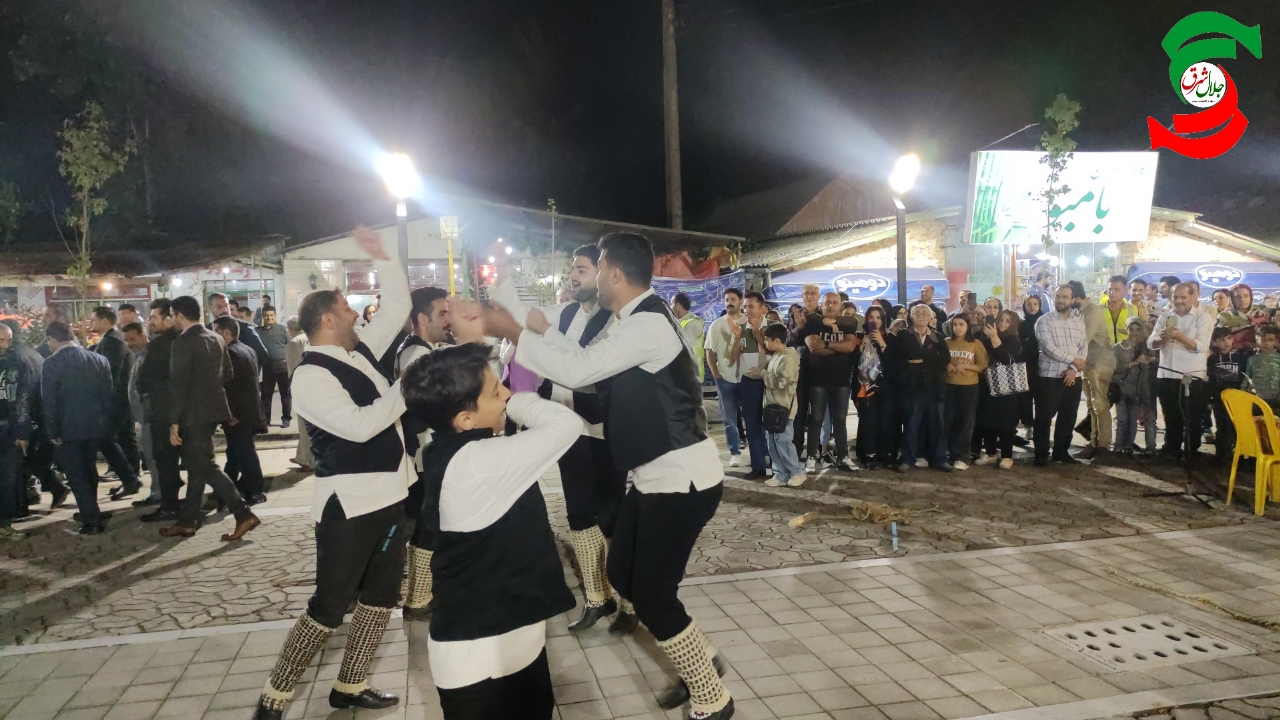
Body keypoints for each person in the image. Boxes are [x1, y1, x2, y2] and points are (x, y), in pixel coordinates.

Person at [486, 232, 733, 719]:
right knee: (621, 573)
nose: (594, 276)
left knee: (654, 597)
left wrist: (516, 331)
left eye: (597, 267)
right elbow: (581, 356)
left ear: (614, 273)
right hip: (654, 477)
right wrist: (530, 321)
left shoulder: (647, 325)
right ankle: (703, 657)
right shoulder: (632, 320)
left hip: (682, 479)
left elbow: (579, 370)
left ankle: (712, 697)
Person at [253, 229, 412, 720]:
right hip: (350, 505)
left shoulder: (357, 352)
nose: (356, 313)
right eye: (347, 307)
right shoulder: (310, 374)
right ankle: (273, 699)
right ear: (327, 319)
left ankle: (350, 685)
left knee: (381, 598)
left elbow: (398, 306)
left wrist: (383, 255)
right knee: (329, 605)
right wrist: (407, 387)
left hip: (390, 493)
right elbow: (359, 428)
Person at [401, 332, 578, 720]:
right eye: (497, 391)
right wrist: (521, 400)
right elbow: (566, 425)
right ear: (465, 419)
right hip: (478, 661)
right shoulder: (478, 463)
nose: (507, 395)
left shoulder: (449, 449)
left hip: (515, 637)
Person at [499, 245, 631, 631]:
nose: (573, 275)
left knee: (612, 515)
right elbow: (523, 318)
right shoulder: (565, 313)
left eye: (583, 269)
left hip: (605, 429)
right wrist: (503, 274)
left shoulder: (618, 320)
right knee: (579, 514)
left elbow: (583, 365)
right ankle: (597, 598)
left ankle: (629, 599)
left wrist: (545, 333)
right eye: (572, 269)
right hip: (568, 428)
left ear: (605, 274)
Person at [160, 296, 261, 541]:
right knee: (197, 466)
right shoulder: (216, 338)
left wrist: (174, 421)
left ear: (180, 316)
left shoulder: (183, 342)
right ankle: (187, 521)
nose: (171, 320)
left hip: (192, 413)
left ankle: (243, 513)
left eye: (172, 316)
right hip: (213, 410)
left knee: (205, 466)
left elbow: (179, 384)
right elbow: (227, 373)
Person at [40, 321, 115, 535]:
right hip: (95, 425)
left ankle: (91, 521)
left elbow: (50, 401)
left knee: (77, 475)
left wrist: (52, 430)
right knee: (90, 470)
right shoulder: (99, 360)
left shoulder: (51, 364)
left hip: (67, 428)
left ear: (52, 339)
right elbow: (108, 395)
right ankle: (91, 510)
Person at [0, 319, 70, 512]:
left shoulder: (15, 359)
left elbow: (21, 396)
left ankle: (18, 506)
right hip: (38, 418)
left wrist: (21, 429)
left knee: (17, 465)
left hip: (25, 420)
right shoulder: (32, 354)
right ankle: (45, 492)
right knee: (29, 462)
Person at [1150, 282, 1214, 462]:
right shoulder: (1165, 316)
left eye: (1183, 297)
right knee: (1171, 416)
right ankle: (1171, 449)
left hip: (1190, 376)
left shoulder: (1202, 317)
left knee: (1191, 417)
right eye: (1175, 297)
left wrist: (1180, 337)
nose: (1178, 301)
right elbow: (1151, 342)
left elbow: (1201, 346)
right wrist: (1161, 339)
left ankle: (1191, 452)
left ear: (1192, 297)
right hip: (1167, 374)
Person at [797, 292, 859, 472]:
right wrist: (839, 348)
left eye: (834, 302)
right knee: (815, 419)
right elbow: (813, 347)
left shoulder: (848, 323)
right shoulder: (813, 322)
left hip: (841, 380)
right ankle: (811, 457)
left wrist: (825, 344)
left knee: (840, 420)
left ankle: (843, 457)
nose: (831, 305)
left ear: (840, 305)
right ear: (822, 305)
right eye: (827, 303)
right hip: (818, 379)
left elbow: (850, 346)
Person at [135, 299, 184, 524]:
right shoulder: (186, 340)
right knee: (194, 461)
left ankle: (170, 505)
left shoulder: (160, 345)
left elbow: (145, 379)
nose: (150, 321)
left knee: (165, 461)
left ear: (169, 318)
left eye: (154, 317)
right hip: (184, 411)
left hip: (163, 412)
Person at [707, 288, 766, 474]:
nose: (729, 302)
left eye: (733, 299)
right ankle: (740, 455)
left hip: (756, 380)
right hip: (730, 378)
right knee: (732, 418)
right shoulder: (719, 325)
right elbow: (712, 352)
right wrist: (716, 374)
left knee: (758, 420)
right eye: (726, 299)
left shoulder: (761, 324)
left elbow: (771, 348)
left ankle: (766, 459)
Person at [89, 306, 143, 497]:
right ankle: (131, 479)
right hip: (120, 400)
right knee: (125, 440)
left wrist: (102, 400)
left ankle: (130, 478)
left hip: (116, 401)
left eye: (94, 319)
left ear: (104, 321)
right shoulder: (112, 339)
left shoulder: (112, 341)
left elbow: (110, 373)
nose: (91, 323)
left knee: (108, 440)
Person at [212, 316, 267, 505]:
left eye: (217, 331)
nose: (215, 335)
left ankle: (256, 490)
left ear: (226, 332)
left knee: (244, 453)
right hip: (249, 411)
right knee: (236, 453)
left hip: (239, 415)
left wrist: (231, 413)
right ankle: (228, 490)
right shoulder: (247, 349)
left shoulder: (230, 353)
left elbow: (232, 387)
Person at [893, 304, 952, 472]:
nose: (921, 315)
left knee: (937, 424)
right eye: (917, 313)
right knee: (911, 424)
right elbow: (898, 358)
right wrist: (927, 359)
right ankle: (907, 458)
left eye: (924, 313)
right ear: (910, 317)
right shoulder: (903, 335)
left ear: (931, 317)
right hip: (912, 387)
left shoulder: (938, 337)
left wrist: (920, 361)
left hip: (934, 387)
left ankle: (939, 459)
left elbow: (945, 359)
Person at [1034, 285, 1088, 466]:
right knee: (1044, 418)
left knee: (1068, 417)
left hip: (1073, 377)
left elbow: (1084, 347)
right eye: (1058, 296)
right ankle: (1041, 454)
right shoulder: (1044, 321)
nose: (1061, 300)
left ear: (1072, 299)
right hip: (1049, 377)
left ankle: (1061, 452)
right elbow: (1048, 348)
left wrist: (1073, 368)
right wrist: (1073, 360)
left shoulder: (1078, 322)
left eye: (1065, 297)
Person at [1069, 281, 1118, 461]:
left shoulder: (1092, 312)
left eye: (1068, 297)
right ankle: (1093, 443)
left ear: (1076, 296)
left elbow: (1082, 340)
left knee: (1100, 405)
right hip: (1087, 363)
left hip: (1099, 362)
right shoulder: (1079, 311)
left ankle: (1103, 446)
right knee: (1092, 406)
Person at [974, 310, 1023, 469]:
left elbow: (1008, 359)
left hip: (1006, 387)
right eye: (1001, 319)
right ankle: (990, 453)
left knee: (1006, 422)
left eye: (1007, 321)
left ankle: (1007, 455)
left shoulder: (1014, 340)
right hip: (987, 384)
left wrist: (995, 338)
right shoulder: (986, 338)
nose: (1002, 323)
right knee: (987, 419)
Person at [121, 322, 162, 509]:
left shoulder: (150, 356)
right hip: (143, 417)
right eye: (126, 340)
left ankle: (158, 493)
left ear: (143, 335)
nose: (129, 344)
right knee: (150, 456)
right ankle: (157, 491)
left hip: (150, 417)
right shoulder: (139, 357)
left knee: (153, 457)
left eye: (132, 339)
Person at [0, 323, 35, 540]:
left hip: (9, 430)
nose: (5, 345)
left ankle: (4, 524)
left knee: (8, 479)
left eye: (8, 340)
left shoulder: (17, 363)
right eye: (1, 341)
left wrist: (22, 432)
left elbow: (24, 398)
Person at [761, 324, 804, 488]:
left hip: (784, 407)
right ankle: (780, 474)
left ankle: (796, 472)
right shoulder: (777, 356)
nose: (765, 342)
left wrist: (763, 374)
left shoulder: (787, 359)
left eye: (767, 339)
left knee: (784, 442)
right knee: (773, 442)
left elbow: (781, 383)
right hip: (773, 407)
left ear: (777, 340)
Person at [943, 314, 988, 470]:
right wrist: (947, 366)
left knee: (965, 422)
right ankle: (949, 453)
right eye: (955, 324)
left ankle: (963, 456)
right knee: (948, 420)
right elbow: (939, 361)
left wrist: (966, 366)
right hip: (949, 386)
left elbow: (982, 366)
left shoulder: (975, 344)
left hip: (969, 387)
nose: (958, 328)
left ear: (968, 326)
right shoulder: (946, 342)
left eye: (961, 324)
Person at [853, 305, 893, 469]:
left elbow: (893, 361)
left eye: (878, 318)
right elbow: (853, 363)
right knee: (868, 420)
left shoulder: (889, 337)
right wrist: (861, 348)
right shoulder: (859, 337)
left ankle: (883, 453)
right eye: (871, 318)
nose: (875, 321)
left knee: (884, 420)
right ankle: (868, 454)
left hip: (885, 386)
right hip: (865, 386)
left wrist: (882, 344)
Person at [1112, 317, 1158, 456]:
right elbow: (1114, 368)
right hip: (1123, 387)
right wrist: (1134, 363)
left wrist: (1150, 360)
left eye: (1138, 329)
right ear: (1126, 330)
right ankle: (1119, 446)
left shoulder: (1147, 347)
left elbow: (1158, 361)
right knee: (1123, 419)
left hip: (1143, 387)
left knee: (1139, 419)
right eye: (1131, 329)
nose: (1134, 333)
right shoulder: (1119, 348)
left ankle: (1137, 446)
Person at [1207, 326, 1249, 463]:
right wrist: (1210, 398)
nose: (1226, 342)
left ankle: (1238, 454)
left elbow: (1244, 376)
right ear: (1214, 342)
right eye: (1222, 340)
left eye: (1229, 338)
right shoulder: (1212, 359)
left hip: (1237, 398)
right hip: (1219, 398)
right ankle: (1220, 454)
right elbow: (1211, 379)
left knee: (1236, 425)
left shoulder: (1240, 357)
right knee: (1221, 424)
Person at [208, 292, 269, 381]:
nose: (225, 310)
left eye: (226, 306)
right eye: (219, 307)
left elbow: (262, 354)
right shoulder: (207, 331)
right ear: (210, 309)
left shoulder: (245, 328)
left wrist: (250, 375)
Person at [284, 317, 313, 471]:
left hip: (301, 387)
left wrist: (291, 388)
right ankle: (301, 456)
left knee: (304, 426)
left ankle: (308, 460)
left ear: (290, 328)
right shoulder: (311, 337)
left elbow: (293, 368)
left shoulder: (294, 343)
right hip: (313, 385)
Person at [258, 305, 292, 428]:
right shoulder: (258, 331)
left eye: (272, 315)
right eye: (266, 315)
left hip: (282, 366)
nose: (269, 318)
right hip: (266, 368)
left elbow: (289, 346)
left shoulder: (282, 330)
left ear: (275, 316)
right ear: (263, 317)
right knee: (266, 395)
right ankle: (266, 420)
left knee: (285, 394)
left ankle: (286, 419)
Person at [1018, 296, 1045, 443]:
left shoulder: (1045, 322)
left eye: (1035, 304)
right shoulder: (1022, 324)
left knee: (1041, 399)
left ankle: (1040, 429)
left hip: (1042, 366)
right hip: (1025, 366)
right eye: (1029, 304)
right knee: (1025, 399)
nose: (1032, 307)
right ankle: (1028, 426)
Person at [671, 292, 705, 383]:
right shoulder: (680, 322)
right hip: (683, 373)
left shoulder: (693, 322)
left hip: (692, 374)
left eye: (671, 304)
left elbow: (684, 345)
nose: (670, 307)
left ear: (678, 305)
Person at [1246, 326, 1280, 408]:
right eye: (1263, 340)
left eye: (1270, 340)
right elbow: (1246, 378)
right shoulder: (1252, 359)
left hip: (1276, 399)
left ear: (1276, 341)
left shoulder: (1278, 358)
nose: (1266, 343)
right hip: (1256, 398)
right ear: (1257, 339)